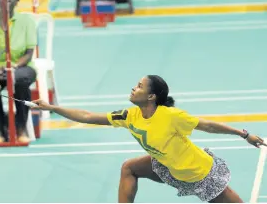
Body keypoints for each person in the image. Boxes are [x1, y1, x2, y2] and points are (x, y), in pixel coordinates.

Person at [31, 75, 266, 203]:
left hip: (199, 174)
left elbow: (208, 126)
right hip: (167, 166)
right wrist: (52, 107)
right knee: (129, 168)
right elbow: (88, 116)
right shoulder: (129, 115)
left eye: (139, 86)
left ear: (151, 96)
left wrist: (243, 134)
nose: (133, 88)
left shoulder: (171, 116)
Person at [0, 0, 37, 144]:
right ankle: (0, 130)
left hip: (21, 66)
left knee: (21, 80)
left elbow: (29, 52)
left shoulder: (26, 21)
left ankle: (20, 128)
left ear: (17, 1)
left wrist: (14, 67)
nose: (8, 1)